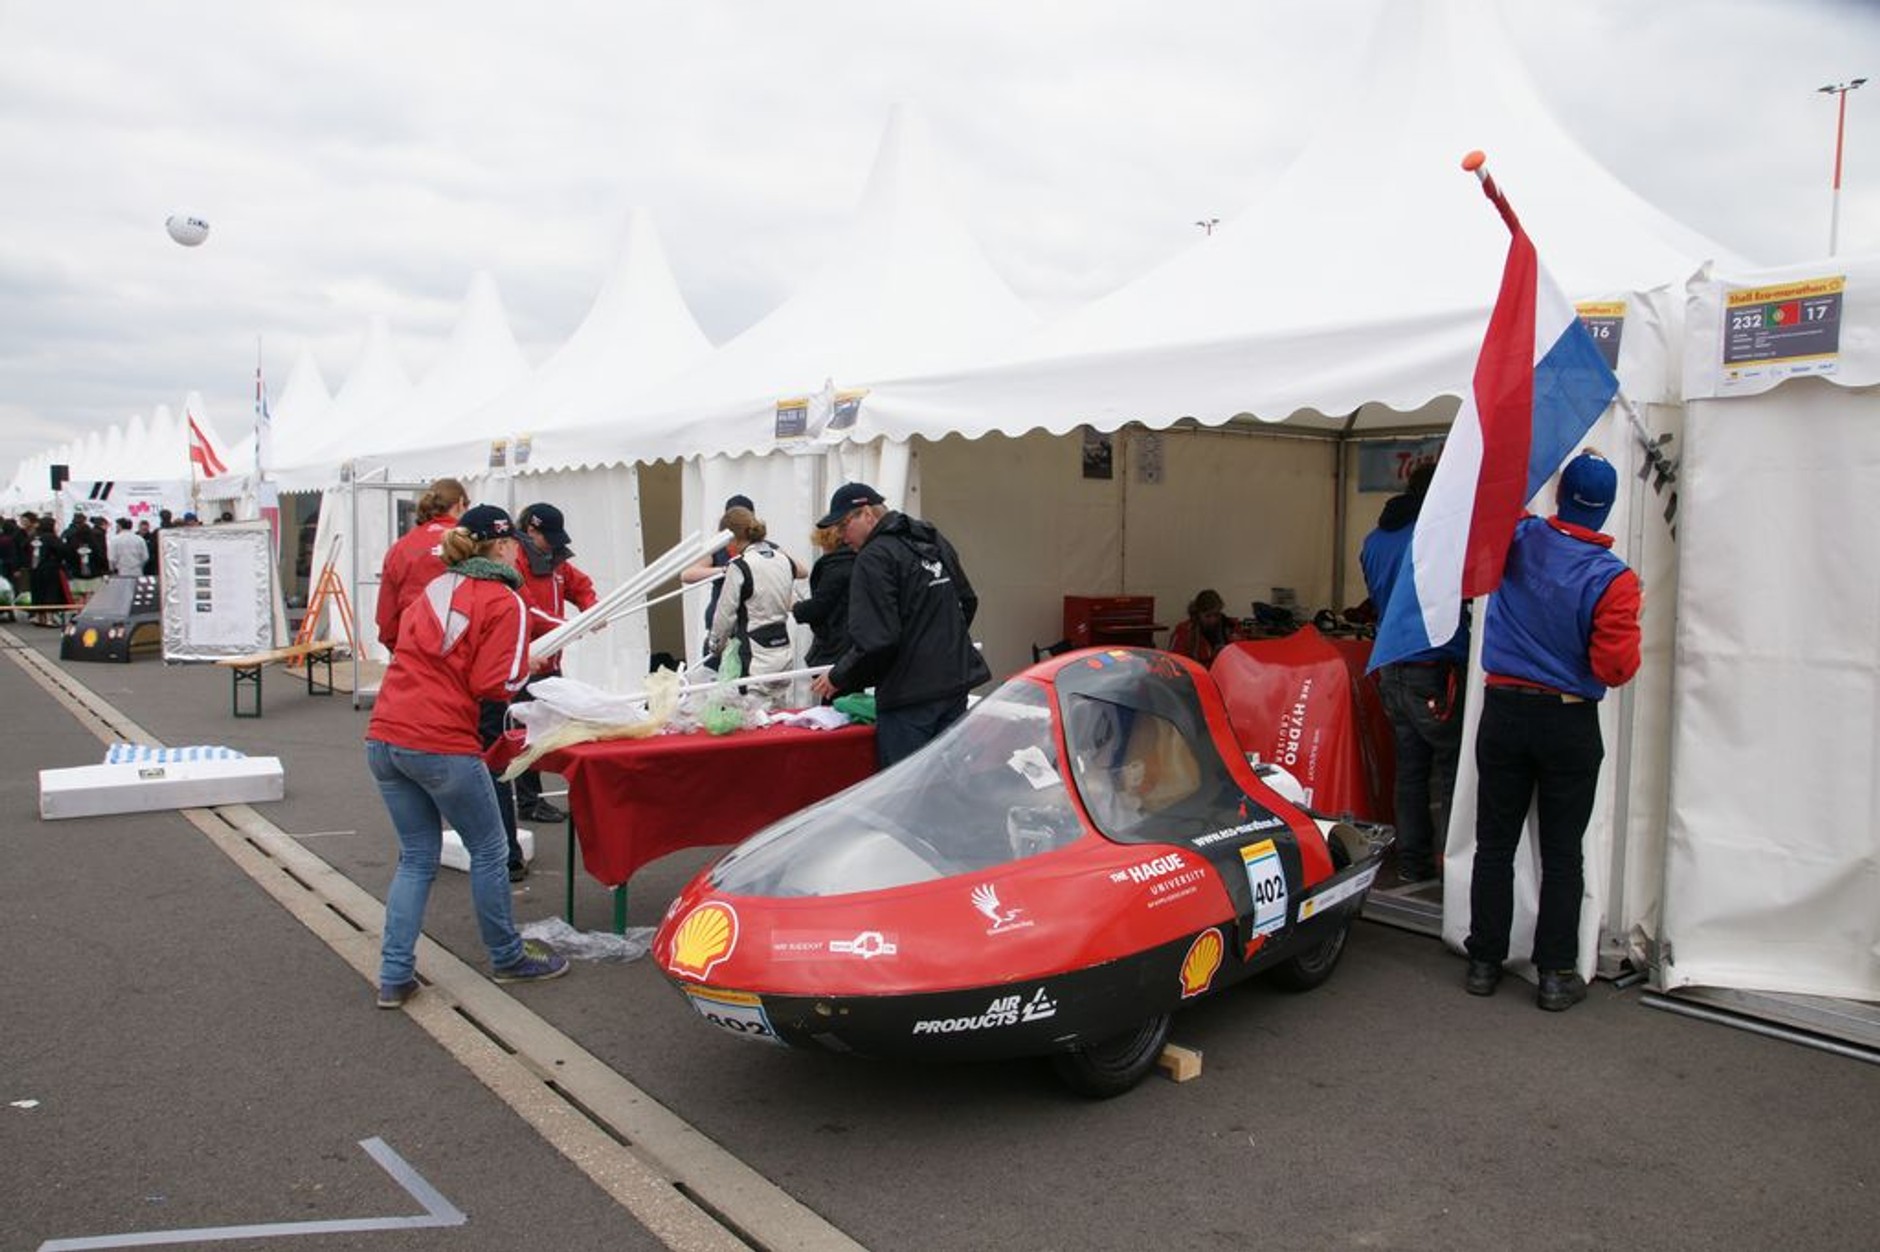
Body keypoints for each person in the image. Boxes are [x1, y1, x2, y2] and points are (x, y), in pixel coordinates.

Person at [364, 504, 568, 1009]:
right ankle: (507, 956)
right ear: (503, 546)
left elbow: (408, 643)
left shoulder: (438, 586)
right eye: (515, 542)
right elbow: (494, 684)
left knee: (417, 857)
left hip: (385, 735)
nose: (521, 550)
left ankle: (394, 975)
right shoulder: (504, 598)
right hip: (441, 740)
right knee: (491, 850)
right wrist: (528, 662)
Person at [1463, 450, 1642, 1013]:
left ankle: (1484, 962)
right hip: (1567, 720)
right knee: (1563, 853)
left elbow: (1497, 500)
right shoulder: (1614, 579)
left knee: (1495, 844)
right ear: (1607, 507)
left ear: (1560, 495)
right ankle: (1556, 975)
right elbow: (1616, 668)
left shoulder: (1517, 537)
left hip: (1504, 711)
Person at [809, 483, 991, 767]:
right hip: (953, 684)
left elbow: (876, 639)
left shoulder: (874, 557)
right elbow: (966, 601)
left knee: (906, 786)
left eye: (844, 526)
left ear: (867, 514)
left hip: (909, 699)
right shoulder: (930, 538)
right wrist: (940, 646)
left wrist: (838, 676)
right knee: (949, 778)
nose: (842, 537)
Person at [1360, 462, 1469, 885]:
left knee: (1410, 769)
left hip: (1391, 663)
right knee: (1453, 768)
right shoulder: (1436, 534)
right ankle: (1452, 868)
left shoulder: (1373, 541)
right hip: (1433, 663)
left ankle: (1412, 861)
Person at [507, 501, 599, 831]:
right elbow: (528, 611)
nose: (553, 544)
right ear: (530, 530)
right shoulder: (515, 562)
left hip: (551, 659)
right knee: (526, 734)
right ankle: (529, 801)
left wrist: (592, 610)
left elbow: (581, 586)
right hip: (527, 662)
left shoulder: (555, 560)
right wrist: (570, 626)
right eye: (548, 537)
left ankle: (555, 795)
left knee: (556, 729)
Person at [707, 505, 802, 695]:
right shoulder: (784, 560)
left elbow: (725, 614)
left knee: (753, 710)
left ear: (731, 538)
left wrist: (715, 646)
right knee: (779, 708)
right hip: (783, 649)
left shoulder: (739, 566)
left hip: (753, 655)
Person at [375, 477, 470, 654]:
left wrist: (400, 649)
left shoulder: (400, 548)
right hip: (462, 649)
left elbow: (386, 616)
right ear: (460, 504)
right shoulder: (471, 543)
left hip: (413, 647)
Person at [681, 493, 758, 664]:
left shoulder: (758, 549)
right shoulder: (719, 547)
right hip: (720, 628)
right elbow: (687, 574)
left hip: (746, 629)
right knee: (712, 674)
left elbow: (800, 571)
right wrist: (723, 570)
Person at [791, 521, 855, 672]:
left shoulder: (835, 567)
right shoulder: (858, 561)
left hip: (836, 646)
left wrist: (795, 606)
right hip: (851, 643)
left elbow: (820, 605)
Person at [1167, 588, 1243, 665]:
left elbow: (1243, 658)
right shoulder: (1184, 631)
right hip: (1195, 670)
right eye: (1207, 616)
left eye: (1216, 615)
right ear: (1198, 614)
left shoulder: (1231, 627)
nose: (1212, 620)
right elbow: (1173, 662)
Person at [27, 516, 71, 625]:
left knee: (37, 592)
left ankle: (38, 617)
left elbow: (23, 548)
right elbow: (62, 550)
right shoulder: (51, 537)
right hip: (50, 568)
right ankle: (49, 618)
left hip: (34, 568)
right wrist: (58, 559)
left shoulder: (33, 537)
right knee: (50, 592)